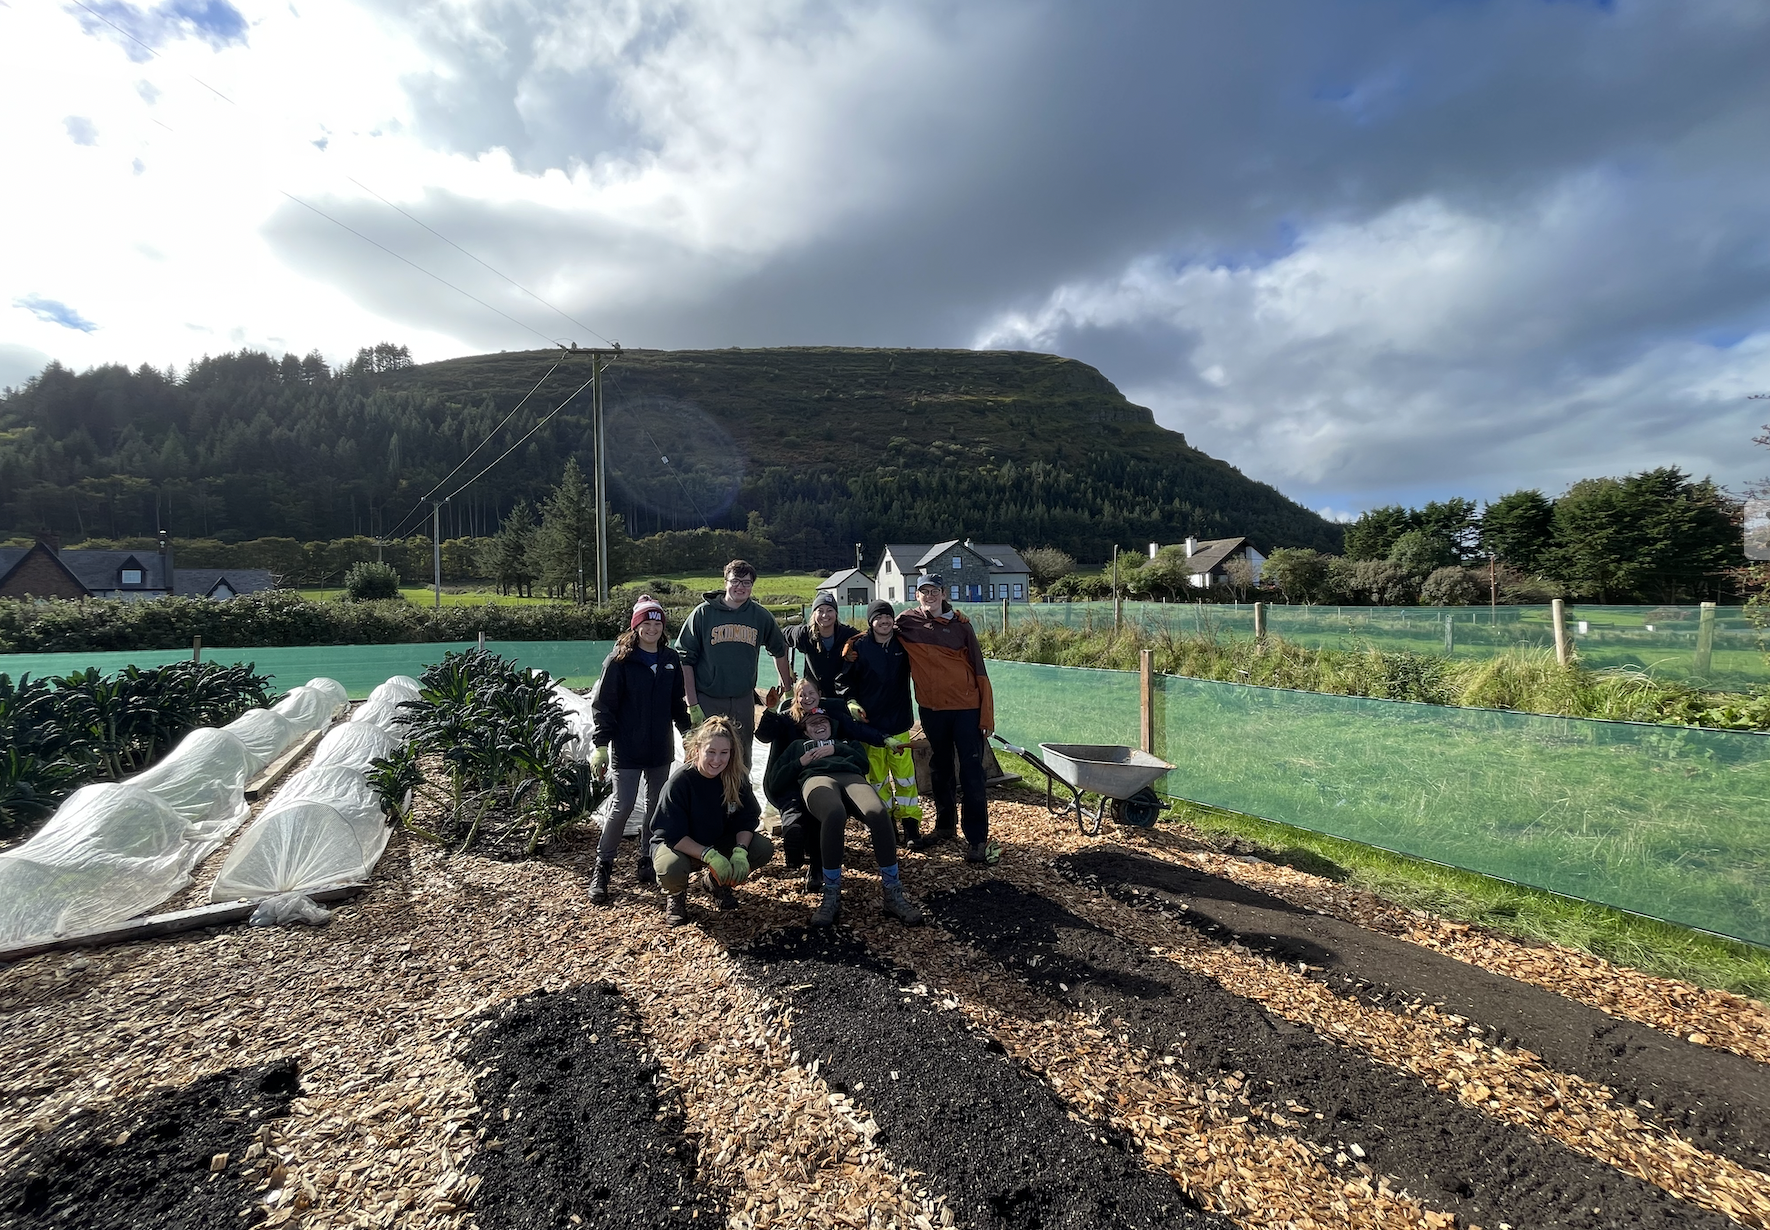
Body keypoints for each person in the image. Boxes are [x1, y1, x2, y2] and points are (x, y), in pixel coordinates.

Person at [765, 701, 923, 928]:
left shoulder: (845, 742)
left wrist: (836, 749)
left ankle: (892, 893)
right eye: (812, 723)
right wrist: (801, 761)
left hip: (851, 777)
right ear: (805, 729)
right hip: (816, 779)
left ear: (832, 726)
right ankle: (831, 893)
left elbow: (864, 764)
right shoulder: (798, 746)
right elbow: (775, 781)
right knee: (834, 813)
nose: (819, 725)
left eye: (823, 721)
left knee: (878, 813)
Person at [586, 594, 690, 905]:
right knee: (623, 806)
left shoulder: (671, 659)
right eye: (646, 622)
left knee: (656, 805)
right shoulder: (620, 661)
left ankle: (646, 858)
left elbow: (676, 704)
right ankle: (603, 866)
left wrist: (688, 732)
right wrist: (601, 746)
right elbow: (604, 705)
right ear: (636, 626)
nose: (652, 627)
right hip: (627, 748)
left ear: (663, 626)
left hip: (660, 747)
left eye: (657, 622)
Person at [895, 572, 999, 864]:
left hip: (966, 708)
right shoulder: (907, 622)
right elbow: (879, 629)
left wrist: (986, 716)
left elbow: (979, 669)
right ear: (916, 595)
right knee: (940, 767)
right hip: (931, 709)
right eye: (923, 591)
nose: (929, 596)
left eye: (934, 591)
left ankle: (977, 838)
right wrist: (853, 646)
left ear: (943, 593)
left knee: (971, 772)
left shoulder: (961, 627)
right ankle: (944, 827)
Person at [651, 716, 775, 925]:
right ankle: (676, 896)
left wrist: (740, 851)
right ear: (697, 749)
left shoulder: (736, 778)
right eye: (711, 752)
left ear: (732, 753)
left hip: (717, 841)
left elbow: (746, 820)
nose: (717, 760)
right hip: (680, 845)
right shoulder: (680, 782)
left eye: (724, 753)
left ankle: (716, 882)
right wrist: (708, 855)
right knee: (670, 867)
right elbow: (671, 833)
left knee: (762, 848)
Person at [675, 559, 793, 772]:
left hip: (742, 700)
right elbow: (685, 659)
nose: (741, 587)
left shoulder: (760, 615)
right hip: (707, 698)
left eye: (747, 583)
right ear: (725, 582)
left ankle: (737, 802)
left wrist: (787, 688)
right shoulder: (703, 614)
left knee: (740, 756)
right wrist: (692, 704)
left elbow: (779, 648)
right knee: (705, 756)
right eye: (736, 581)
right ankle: (703, 802)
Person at [840, 599, 923, 845]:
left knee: (905, 777)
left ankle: (911, 824)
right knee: (876, 778)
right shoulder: (859, 647)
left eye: (888, 616)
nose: (884, 621)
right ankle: (884, 822)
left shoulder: (903, 644)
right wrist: (851, 701)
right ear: (870, 622)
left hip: (898, 723)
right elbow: (844, 681)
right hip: (871, 726)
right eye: (878, 618)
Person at [755, 677, 826, 891]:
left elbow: (850, 732)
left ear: (819, 695)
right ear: (795, 698)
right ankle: (793, 837)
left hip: (817, 778)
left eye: (811, 693)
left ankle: (816, 868)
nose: (807, 698)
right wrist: (771, 709)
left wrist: (882, 738)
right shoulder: (787, 719)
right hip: (790, 777)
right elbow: (763, 736)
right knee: (792, 805)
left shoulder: (826, 718)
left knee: (816, 812)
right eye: (801, 695)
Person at [783, 591, 861, 699]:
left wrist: (851, 645)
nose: (825, 615)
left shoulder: (848, 634)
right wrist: (788, 673)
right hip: (813, 697)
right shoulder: (804, 634)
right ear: (814, 614)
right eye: (820, 611)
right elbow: (779, 638)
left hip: (843, 698)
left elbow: (871, 638)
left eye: (830, 610)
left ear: (836, 613)